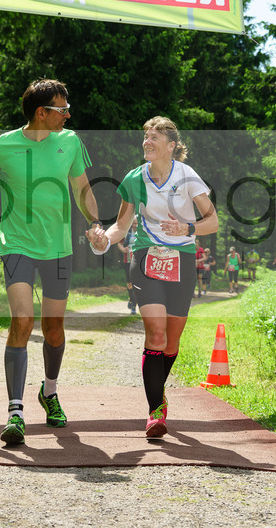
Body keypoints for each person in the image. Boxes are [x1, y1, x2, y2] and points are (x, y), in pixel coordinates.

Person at [0, 78, 105, 446]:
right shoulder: (0, 145)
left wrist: (95, 223)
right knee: (23, 321)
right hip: (17, 244)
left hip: (58, 247)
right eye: (61, 109)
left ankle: (50, 391)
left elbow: (82, 187)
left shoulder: (70, 141)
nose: (68, 114)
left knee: (54, 328)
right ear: (41, 113)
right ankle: (15, 411)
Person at [90, 116, 218, 438]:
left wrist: (188, 228)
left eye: (154, 137)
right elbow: (121, 225)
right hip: (147, 258)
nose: (147, 141)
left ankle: (157, 392)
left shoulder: (188, 178)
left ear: (172, 146)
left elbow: (212, 221)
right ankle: (155, 410)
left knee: (172, 342)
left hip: (182, 261)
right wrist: (104, 239)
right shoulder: (135, 178)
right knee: (156, 336)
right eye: (145, 136)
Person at [117, 219, 139, 314]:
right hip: (127, 260)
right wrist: (123, 249)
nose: (135, 225)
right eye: (133, 223)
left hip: (139, 260)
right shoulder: (127, 232)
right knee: (129, 283)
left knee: (136, 283)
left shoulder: (142, 232)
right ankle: (131, 299)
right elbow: (119, 243)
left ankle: (134, 305)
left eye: (137, 223)